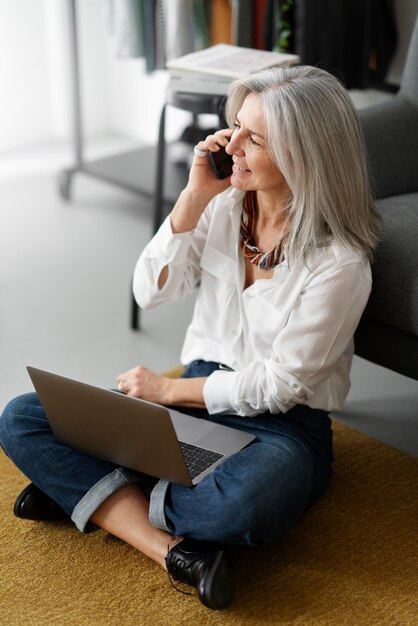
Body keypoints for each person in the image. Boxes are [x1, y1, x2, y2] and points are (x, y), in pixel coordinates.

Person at [0, 65, 379, 611]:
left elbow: (278, 386)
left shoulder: (340, 264)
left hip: (282, 430)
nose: (232, 146)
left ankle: (91, 491)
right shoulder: (224, 203)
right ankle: (171, 550)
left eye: (254, 139)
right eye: (235, 128)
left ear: (303, 155)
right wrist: (193, 197)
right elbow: (149, 291)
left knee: (243, 504)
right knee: (22, 417)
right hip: (193, 406)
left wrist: (168, 392)